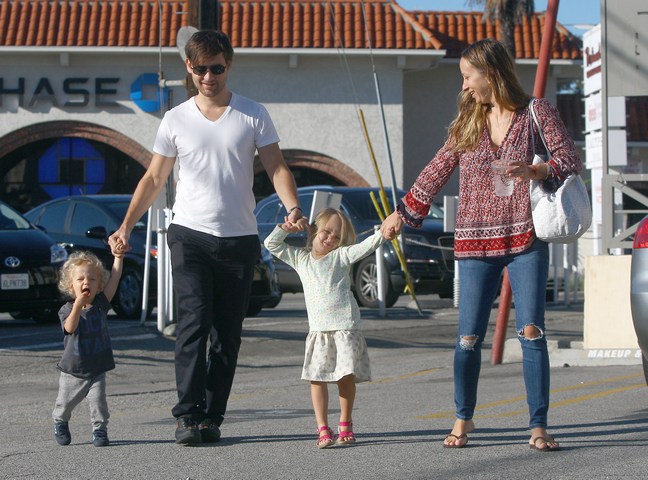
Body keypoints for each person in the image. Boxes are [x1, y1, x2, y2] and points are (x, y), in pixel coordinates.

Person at [381, 39, 582, 452]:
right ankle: (463, 418)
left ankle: (539, 425)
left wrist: (535, 168)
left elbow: (568, 160)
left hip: (524, 239)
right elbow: (438, 167)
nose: (465, 85)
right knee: (468, 338)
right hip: (473, 243)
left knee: (531, 333)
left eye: (468, 76)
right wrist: (404, 212)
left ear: (491, 73)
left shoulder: (534, 113)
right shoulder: (467, 120)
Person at [108, 30, 307, 445]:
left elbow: (276, 167)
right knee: (193, 324)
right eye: (201, 69)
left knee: (227, 334)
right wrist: (126, 225)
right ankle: (186, 416)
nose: (209, 77)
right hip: (190, 235)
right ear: (189, 68)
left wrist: (292, 207)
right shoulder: (176, 118)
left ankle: (212, 416)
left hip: (239, 239)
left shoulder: (253, 114)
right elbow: (154, 177)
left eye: (216, 68)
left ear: (228, 65)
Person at [264, 208, 387, 449]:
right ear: (314, 230)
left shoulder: (341, 256)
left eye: (336, 237)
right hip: (319, 330)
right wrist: (285, 228)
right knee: (317, 379)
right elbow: (271, 244)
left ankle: (345, 422)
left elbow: (367, 246)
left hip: (345, 327)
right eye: (326, 232)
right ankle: (322, 427)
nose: (330, 238)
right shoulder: (301, 258)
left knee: (345, 376)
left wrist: (385, 232)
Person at [52, 250, 123, 447]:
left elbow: (115, 277)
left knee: (99, 402)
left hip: (97, 368)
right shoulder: (66, 309)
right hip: (72, 370)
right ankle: (60, 421)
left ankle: (100, 430)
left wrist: (118, 257)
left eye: (92, 279)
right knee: (65, 404)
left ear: (99, 284)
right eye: (80, 279)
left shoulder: (101, 304)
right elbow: (70, 327)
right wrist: (78, 306)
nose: (86, 283)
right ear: (70, 285)